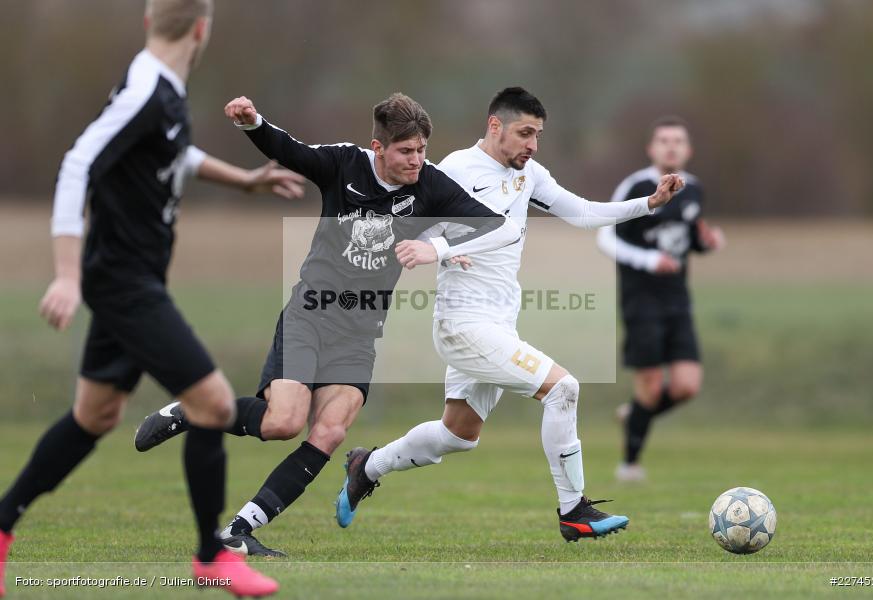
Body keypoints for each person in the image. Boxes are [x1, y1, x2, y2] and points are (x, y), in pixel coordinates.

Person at [0, 1, 307, 597]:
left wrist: (244, 180)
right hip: (124, 283)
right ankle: (211, 558)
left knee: (94, 417)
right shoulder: (147, 90)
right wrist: (65, 274)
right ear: (202, 29)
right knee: (213, 405)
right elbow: (77, 163)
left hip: (132, 279)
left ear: (149, 22)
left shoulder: (160, 88)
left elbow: (175, 155)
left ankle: (2, 525)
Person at [133, 92, 522, 556]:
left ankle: (237, 532)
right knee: (283, 423)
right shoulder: (344, 164)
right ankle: (193, 410)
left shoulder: (430, 184)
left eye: (422, 150)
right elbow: (289, 150)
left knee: (331, 431)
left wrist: (439, 248)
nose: (416, 160)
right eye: (406, 151)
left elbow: (501, 227)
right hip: (311, 315)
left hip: (360, 333)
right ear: (378, 148)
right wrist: (253, 122)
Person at [336, 87, 684, 542]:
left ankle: (367, 466)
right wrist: (443, 249)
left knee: (458, 435)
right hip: (463, 323)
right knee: (563, 389)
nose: (532, 145)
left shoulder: (529, 174)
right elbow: (414, 230)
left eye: (537, 135)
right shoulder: (455, 169)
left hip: (498, 324)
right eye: (525, 133)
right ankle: (574, 510)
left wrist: (648, 204)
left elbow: (583, 212)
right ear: (495, 125)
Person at [597, 116, 725, 483]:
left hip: (678, 300)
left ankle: (636, 414)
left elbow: (688, 239)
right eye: (664, 140)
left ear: (689, 150)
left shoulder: (695, 189)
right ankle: (629, 464)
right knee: (651, 387)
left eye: (678, 140)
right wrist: (649, 260)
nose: (671, 146)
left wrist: (707, 243)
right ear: (651, 148)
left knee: (687, 386)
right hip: (641, 301)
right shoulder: (636, 186)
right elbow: (606, 237)